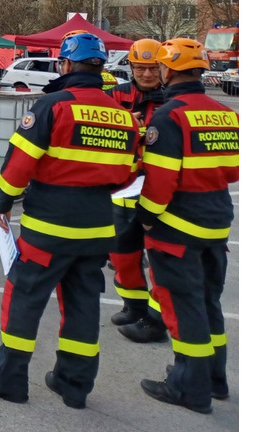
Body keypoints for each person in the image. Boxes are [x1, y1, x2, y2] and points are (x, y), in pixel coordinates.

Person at [0, 32, 139, 409]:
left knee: (24, 299)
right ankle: (74, 385)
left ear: (65, 64)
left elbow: (19, 164)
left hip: (49, 227)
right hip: (97, 227)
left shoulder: (52, 106)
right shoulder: (123, 116)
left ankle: (7, 379)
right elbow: (127, 176)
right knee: (83, 306)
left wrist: (2, 202)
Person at [135, 38, 238, 414]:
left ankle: (189, 387)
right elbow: (234, 169)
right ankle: (214, 379)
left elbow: (160, 184)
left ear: (167, 69)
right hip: (217, 222)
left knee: (183, 307)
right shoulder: (226, 113)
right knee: (209, 303)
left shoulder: (169, 116)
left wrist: (145, 220)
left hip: (177, 228)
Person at [106, 39, 169, 341]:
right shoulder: (114, 95)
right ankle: (134, 306)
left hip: (160, 195)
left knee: (160, 260)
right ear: (130, 66)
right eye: (140, 68)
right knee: (122, 256)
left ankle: (156, 320)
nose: (146, 74)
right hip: (122, 192)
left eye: (153, 68)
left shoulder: (172, 100)